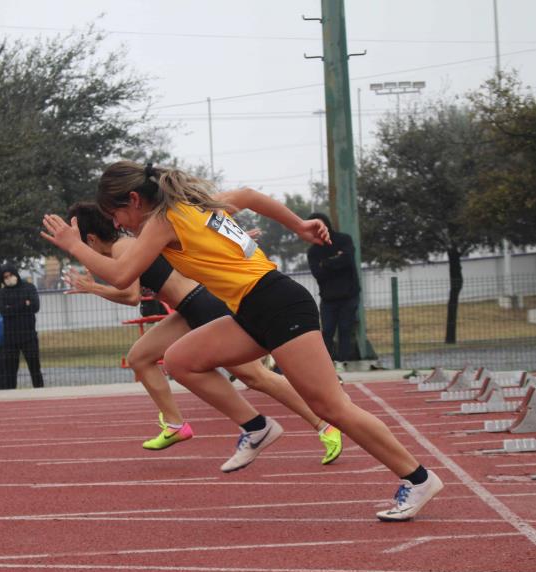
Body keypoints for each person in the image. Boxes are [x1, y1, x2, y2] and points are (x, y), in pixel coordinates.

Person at [41, 161, 444, 522]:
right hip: (251, 309)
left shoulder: (164, 220)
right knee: (181, 359)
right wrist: (299, 226)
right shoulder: (196, 204)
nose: (121, 225)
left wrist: (75, 246)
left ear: (134, 199)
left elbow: (124, 274)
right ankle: (257, 426)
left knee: (332, 406)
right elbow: (249, 196)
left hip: (277, 303)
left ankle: (419, 478)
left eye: (118, 215)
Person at [63, 202, 342, 465]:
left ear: (90, 240)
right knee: (140, 357)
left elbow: (131, 295)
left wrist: (93, 288)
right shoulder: (129, 244)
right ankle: (175, 425)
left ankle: (325, 424)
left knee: (255, 376)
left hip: (203, 304)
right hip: (189, 308)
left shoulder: (123, 248)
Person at [307, 212, 361, 368]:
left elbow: (348, 259)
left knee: (345, 328)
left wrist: (326, 263)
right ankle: (325, 364)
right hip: (328, 298)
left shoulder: (344, 239)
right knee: (327, 331)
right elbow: (318, 273)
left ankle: (343, 361)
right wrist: (336, 260)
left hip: (349, 294)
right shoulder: (313, 251)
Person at [0, 263, 44, 389]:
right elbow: (3, 311)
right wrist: (24, 304)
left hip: (29, 337)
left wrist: (12, 307)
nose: (8, 278)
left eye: (10, 275)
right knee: (10, 372)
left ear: (15, 274)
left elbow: (35, 306)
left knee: (35, 369)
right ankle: (11, 397)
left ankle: (40, 393)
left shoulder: (29, 287)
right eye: (5, 277)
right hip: (10, 339)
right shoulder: (1, 293)